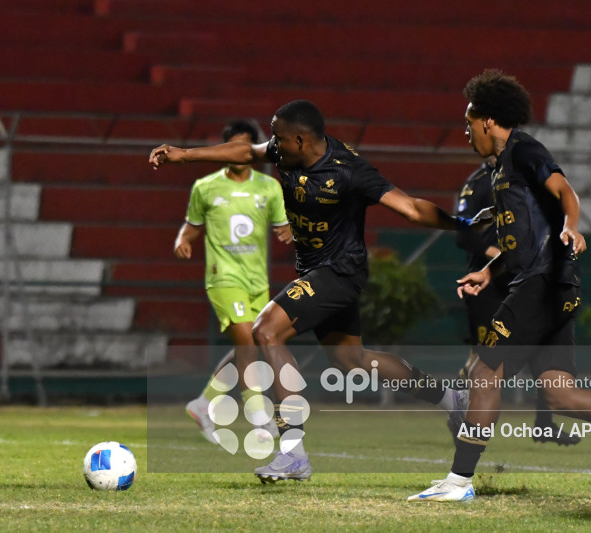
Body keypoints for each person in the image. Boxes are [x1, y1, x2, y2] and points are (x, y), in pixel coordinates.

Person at [151, 100, 477, 483]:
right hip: (318, 271)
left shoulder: (348, 170)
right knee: (351, 359)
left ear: (301, 140)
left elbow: (409, 208)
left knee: (267, 330)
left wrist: (462, 225)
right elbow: (245, 150)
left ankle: (293, 453)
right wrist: (183, 155)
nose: (272, 145)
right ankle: (451, 399)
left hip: (340, 272)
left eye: (279, 139)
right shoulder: (286, 150)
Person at [408, 69, 591, 502]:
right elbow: (522, 240)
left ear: (486, 120)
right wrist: (489, 270)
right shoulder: (502, 170)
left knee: (485, 371)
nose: (466, 134)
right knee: (560, 393)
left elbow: (565, 191)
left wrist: (572, 227)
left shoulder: (523, 150)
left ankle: (459, 482)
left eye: (468, 125)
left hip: (541, 283)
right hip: (552, 283)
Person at [177, 120, 292, 444]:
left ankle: (204, 404)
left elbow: (285, 225)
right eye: (231, 147)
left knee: (250, 344)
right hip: (223, 277)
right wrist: (182, 240)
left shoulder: (268, 188)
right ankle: (258, 413)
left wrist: (290, 230)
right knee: (245, 339)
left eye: (244, 147)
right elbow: (192, 225)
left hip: (257, 280)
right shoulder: (206, 187)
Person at [455, 159, 580, 446]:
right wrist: (500, 256)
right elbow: (464, 237)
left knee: (541, 349)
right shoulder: (478, 183)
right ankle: (461, 413)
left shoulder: (520, 180)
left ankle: (545, 424)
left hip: (523, 280)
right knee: (484, 359)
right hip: (489, 285)